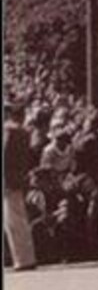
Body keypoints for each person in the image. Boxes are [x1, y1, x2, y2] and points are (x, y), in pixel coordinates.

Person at [3, 102, 37, 271]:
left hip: (7, 178)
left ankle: (22, 260)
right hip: (18, 178)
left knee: (13, 220)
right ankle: (25, 257)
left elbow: (5, 153)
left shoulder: (9, 130)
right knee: (19, 218)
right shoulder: (24, 132)